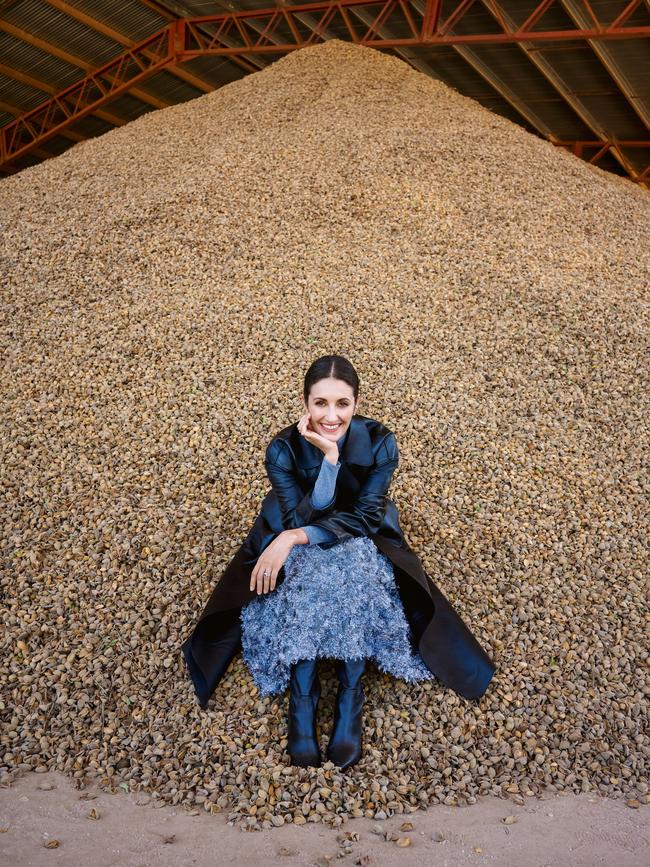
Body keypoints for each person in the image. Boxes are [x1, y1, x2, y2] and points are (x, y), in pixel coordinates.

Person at [181, 355, 496, 769]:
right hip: (300, 525)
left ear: (357, 402)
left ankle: (351, 695)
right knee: (307, 570)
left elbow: (365, 517)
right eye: (321, 404)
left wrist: (293, 536)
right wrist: (328, 462)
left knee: (357, 566)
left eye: (342, 404)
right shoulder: (281, 448)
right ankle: (303, 698)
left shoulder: (382, 441)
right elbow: (301, 518)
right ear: (304, 402)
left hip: (361, 532)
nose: (331, 416)